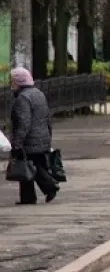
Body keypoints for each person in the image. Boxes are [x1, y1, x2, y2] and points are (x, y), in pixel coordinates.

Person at [10, 67, 58, 205]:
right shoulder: (38, 93)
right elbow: (47, 118)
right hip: (42, 138)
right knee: (33, 166)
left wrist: (17, 143)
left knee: (28, 166)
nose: (11, 84)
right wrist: (49, 136)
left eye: (13, 81)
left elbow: (23, 123)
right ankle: (29, 197)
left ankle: (49, 187)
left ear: (19, 82)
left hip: (30, 140)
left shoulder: (23, 98)